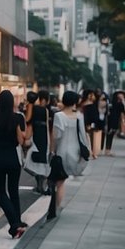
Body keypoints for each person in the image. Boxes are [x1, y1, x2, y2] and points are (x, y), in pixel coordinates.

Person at [0, 90, 29, 238]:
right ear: (12, 102)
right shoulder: (18, 118)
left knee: (1, 193)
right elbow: (21, 140)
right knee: (13, 191)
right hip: (13, 158)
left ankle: (15, 224)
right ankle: (18, 222)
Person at [48, 90, 90, 220]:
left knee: (59, 182)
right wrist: (87, 150)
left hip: (61, 152)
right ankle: (57, 206)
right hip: (75, 152)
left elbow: (56, 136)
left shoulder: (59, 116)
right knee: (62, 181)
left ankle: (57, 208)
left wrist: (52, 151)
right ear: (75, 102)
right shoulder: (79, 116)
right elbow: (83, 135)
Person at [25, 90, 52, 195]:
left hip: (35, 135)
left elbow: (28, 120)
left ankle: (39, 185)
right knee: (41, 160)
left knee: (31, 161)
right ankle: (41, 184)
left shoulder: (32, 107)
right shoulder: (46, 110)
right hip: (44, 137)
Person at [104, 91, 124, 156]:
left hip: (115, 121)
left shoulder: (120, 104)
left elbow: (122, 113)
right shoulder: (112, 103)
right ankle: (107, 150)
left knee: (111, 135)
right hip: (110, 121)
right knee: (109, 135)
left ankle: (108, 150)